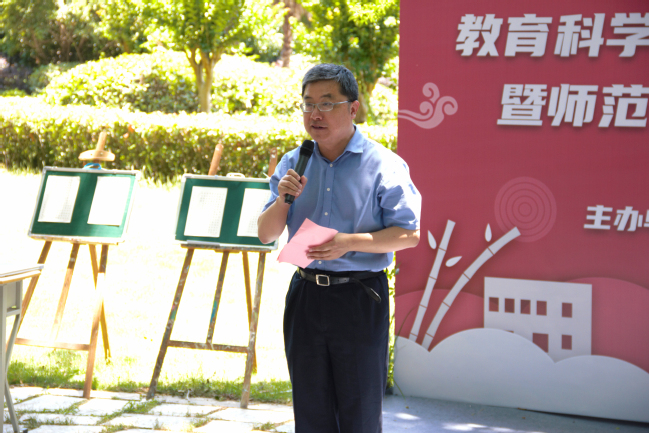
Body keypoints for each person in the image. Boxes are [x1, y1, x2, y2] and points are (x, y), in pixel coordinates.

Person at [258, 64, 421, 433]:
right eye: (308, 104)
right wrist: (284, 198)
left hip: (359, 296)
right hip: (305, 295)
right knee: (310, 408)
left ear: (353, 108)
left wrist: (348, 243)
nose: (315, 114)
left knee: (359, 409)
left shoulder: (384, 165)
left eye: (327, 103)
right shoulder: (293, 163)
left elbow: (409, 234)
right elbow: (266, 234)